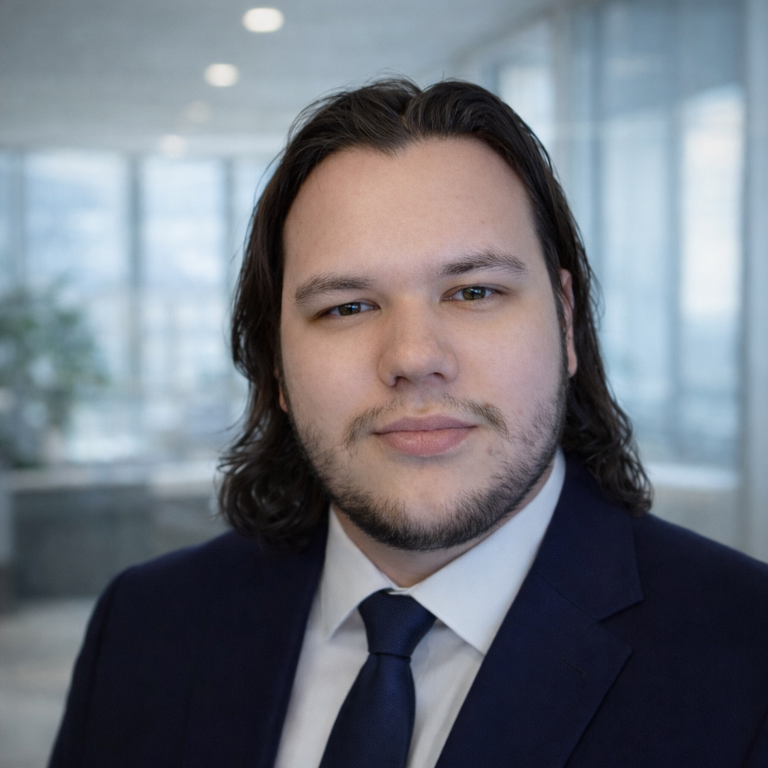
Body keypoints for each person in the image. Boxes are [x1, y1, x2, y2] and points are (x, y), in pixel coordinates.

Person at [50, 79, 768, 768]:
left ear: (566, 322)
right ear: (275, 368)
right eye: (347, 307)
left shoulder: (747, 654)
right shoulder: (145, 625)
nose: (415, 357)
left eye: (474, 291)